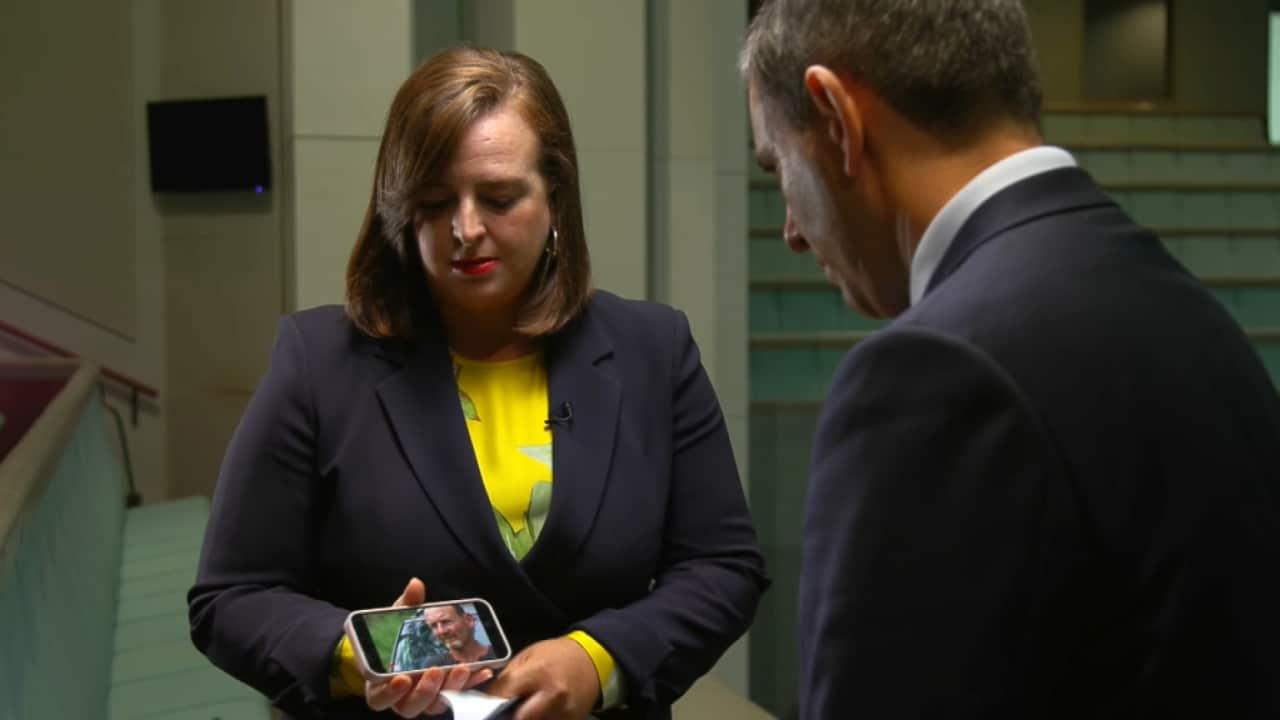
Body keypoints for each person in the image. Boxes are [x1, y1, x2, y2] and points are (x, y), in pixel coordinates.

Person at [189, 46, 768, 720]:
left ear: (555, 196)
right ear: (399, 209)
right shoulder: (318, 361)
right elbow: (231, 597)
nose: (465, 230)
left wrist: (597, 658)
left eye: (498, 198)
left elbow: (724, 567)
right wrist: (361, 655)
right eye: (434, 203)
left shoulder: (653, 350)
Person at [740, 1, 1280, 718]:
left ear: (837, 119)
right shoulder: (1187, 309)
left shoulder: (934, 375)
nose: (792, 233)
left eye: (778, 165)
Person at [418, 605, 496, 668]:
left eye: (446, 622)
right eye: (434, 626)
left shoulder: (499, 653)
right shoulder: (434, 666)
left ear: (469, 620)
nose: (441, 631)